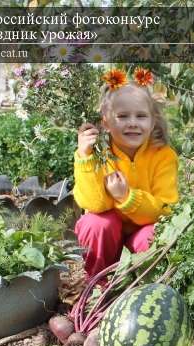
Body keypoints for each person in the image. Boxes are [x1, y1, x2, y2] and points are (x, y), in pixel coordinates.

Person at [73, 67, 179, 279]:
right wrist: (85, 157)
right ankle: (97, 283)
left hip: (140, 237)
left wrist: (126, 198)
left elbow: (165, 210)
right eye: (122, 116)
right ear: (106, 122)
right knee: (96, 223)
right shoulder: (99, 152)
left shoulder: (163, 155)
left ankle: (141, 285)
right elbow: (94, 205)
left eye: (141, 116)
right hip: (106, 238)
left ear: (152, 121)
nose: (132, 123)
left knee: (155, 234)